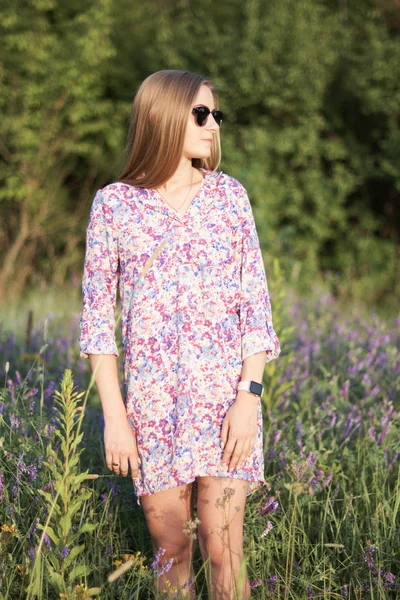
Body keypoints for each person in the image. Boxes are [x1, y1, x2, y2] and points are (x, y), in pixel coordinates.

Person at [78, 69, 281, 600]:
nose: (213, 125)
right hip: (153, 409)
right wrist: (115, 419)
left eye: (217, 114)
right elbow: (98, 323)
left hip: (225, 406)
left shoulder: (229, 199)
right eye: (201, 114)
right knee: (172, 555)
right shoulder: (114, 206)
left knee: (224, 548)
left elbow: (255, 308)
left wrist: (249, 399)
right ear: (162, 116)